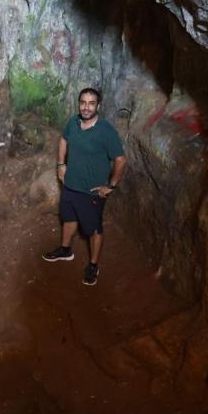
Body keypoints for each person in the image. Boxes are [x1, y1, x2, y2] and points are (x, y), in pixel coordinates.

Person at [42, 88, 127, 286]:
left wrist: (111, 186)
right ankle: (65, 250)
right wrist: (61, 164)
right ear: (79, 103)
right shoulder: (73, 122)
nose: (86, 107)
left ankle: (93, 265)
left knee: (94, 229)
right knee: (69, 218)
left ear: (98, 106)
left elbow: (121, 160)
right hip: (70, 185)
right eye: (83, 102)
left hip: (91, 191)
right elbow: (64, 139)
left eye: (91, 103)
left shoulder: (106, 131)